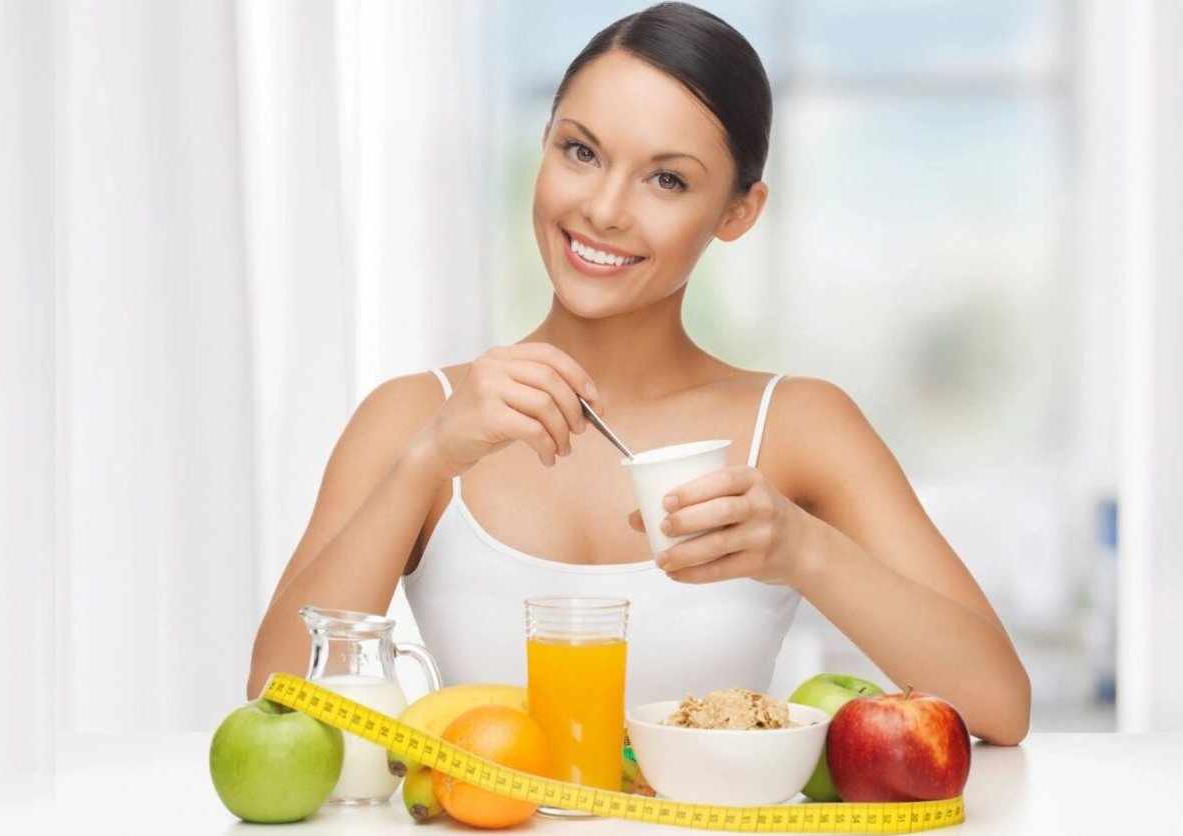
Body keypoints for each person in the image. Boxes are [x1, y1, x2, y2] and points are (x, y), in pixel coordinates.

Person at [248, 2, 1030, 746]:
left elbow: (999, 707)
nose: (605, 209)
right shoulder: (417, 415)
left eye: (668, 179)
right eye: (580, 151)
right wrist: (425, 462)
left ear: (737, 212)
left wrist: (802, 550)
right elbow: (271, 705)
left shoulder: (798, 425)